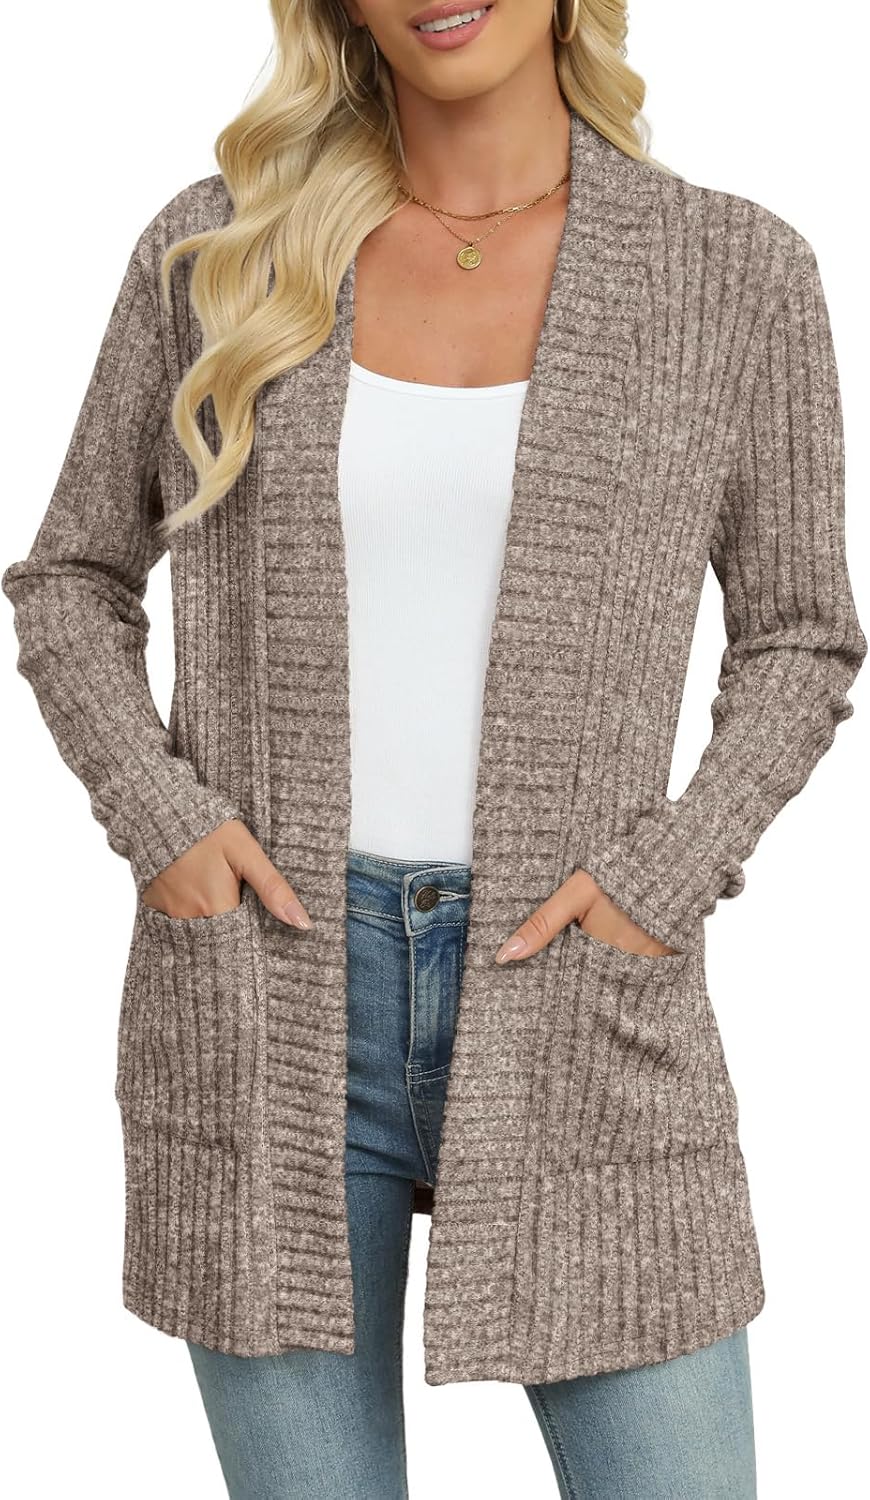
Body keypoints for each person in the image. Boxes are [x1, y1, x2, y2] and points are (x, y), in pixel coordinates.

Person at [3, 2, 865, 1496]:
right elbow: (70, 577)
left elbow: (800, 633)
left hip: (581, 1000)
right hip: (268, 997)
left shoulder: (730, 270)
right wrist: (165, 821)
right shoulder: (221, 250)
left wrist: (662, 878)